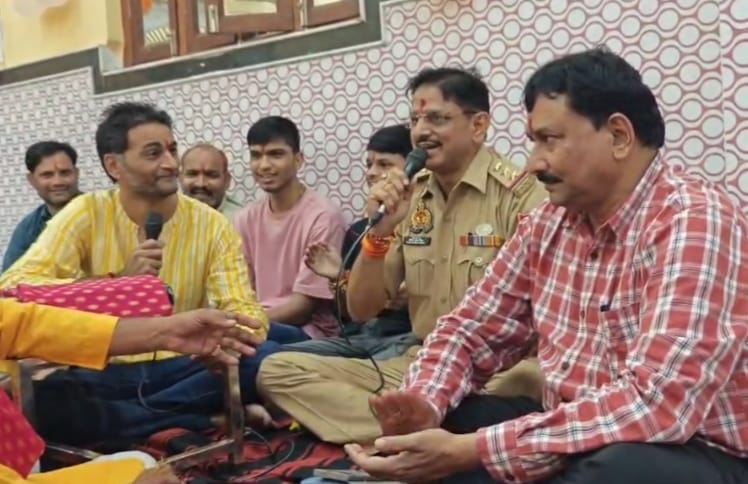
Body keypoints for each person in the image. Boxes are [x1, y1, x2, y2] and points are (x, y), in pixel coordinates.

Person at [344, 48, 748, 484]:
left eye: (549, 140)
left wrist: (478, 450)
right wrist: (425, 402)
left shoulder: (695, 221)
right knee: (444, 428)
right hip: (573, 430)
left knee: (616, 469)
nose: (534, 163)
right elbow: (470, 329)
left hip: (689, 448)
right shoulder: (548, 223)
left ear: (618, 136)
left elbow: (658, 404)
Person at [257, 67, 548, 444]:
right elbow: (362, 310)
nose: (421, 131)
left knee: (521, 384)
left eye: (437, 118)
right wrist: (378, 234)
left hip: (501, 371)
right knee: (276, 370)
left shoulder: (522, 195)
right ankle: (419, 430)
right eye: (415, 120)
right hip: (422, 362)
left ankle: (412, 430)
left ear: (478, 125)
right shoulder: (411, 197)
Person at [0, 102, 276, 444]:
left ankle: (139, 420)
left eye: (172, 149)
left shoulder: (212, 224)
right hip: (104, 370)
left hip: (185, 364)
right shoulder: (86, 212)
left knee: (265, 355)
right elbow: (13, 288)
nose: (171, 163)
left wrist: (232, 337)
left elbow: (244, 308)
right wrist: (114, 284)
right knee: (36, 399)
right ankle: (200, 418)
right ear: (114, 165)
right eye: (153, 153)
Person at [0, 300, 261, 484]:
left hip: (15, 449)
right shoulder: (73, 233)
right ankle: (202, 418)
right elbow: (22, 281)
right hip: (98, 376)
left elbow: (20, 324)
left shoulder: (213, 235)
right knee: (56, 399)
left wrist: (167, 331)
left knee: (259, 357)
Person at [293, 124, 416, 359]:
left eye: (384, 164)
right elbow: (348, 314)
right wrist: (339, 277)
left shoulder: (424, 225)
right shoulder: (360, 230)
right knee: (276, 360)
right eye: (369, 164)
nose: (371, 173)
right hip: (357, 337)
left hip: (403, 337)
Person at [234, 116, 345, 345]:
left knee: (243, 347)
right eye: (256, 155)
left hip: (308, 333)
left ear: (298, 160)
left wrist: (244, 325)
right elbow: (240, 293)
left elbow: (302, 309)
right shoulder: (245, 218)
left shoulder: (323, 217)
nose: (264, 165)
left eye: (276, 154)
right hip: (257, 323)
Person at [3, 141, 81, 271]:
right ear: (31, 180)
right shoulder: (28, 228)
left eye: (65, 173)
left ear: (77, 173)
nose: (57, 182)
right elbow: (10, 277)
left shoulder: (100, 212)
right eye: (47, 175)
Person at [179, 143, 243, 220]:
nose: (201, 183)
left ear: (227, 180)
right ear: (180, 178)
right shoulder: (169, 217)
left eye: (211, 175)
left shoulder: (243, 221)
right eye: (192, 174)